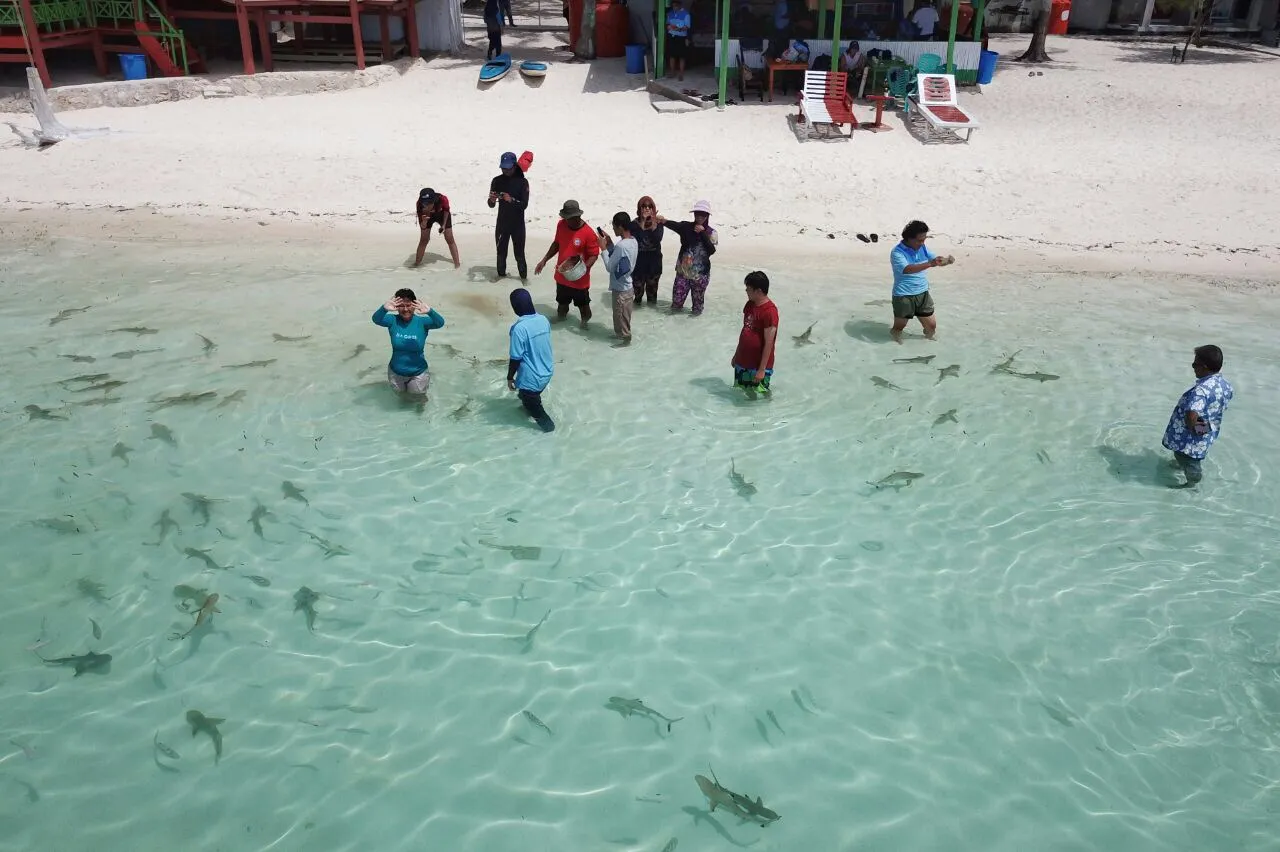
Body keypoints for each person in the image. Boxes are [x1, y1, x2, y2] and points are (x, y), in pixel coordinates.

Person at [1162, 345, 1233, 488]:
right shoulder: (1225, 385)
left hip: (1190, 437)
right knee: (1189, 457)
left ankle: (1192, 483)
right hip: (1207, 429)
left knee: (1186, 457)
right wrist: (1204, 429)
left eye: (1195, 364)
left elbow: (1191, 415)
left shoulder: (1200, 391)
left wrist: (1194, 430)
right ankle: (1182, 465)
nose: (1193, 367)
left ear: (1204, 367)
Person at [534, 199, 601, 327]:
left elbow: (594, 255)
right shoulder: (561, 225)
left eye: (569, 218)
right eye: (566, 218)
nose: (567, 220)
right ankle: (561, 321)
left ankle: (585, 324)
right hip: (562, 276)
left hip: (579, 280)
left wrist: (584, 268)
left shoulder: (588, 233)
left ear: (578, 216)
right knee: (562, 305)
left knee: (584, 308)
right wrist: (544, 260)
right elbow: (556, 244)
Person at [372, 288, 445, 401]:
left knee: (418, 402)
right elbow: (376, 319)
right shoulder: (392, 320)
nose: (405, 309)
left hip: (418, 374)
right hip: (395, 373)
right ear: (396, 306)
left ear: (414, 305)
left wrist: (430, 311)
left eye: (409, 305)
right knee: (400, 400)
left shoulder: (422, 322)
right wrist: (384, 309)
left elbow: (440, 323)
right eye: (401, 305)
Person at [889, 219, 953, 343]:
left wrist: (946, 261)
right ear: (909, 238)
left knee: (931, 326)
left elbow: (935, 260)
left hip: (923, 293)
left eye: (924, 239)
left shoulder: (922, 247)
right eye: (919, 240)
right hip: (903, 295)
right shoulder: (897, 252)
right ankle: (894, 336)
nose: (922, 242)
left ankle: (927, 341)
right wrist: (930, 264)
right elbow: (907, 269)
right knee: (899, 326)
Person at [657, 200, 718, 316]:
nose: (699, 216)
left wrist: (702, 233)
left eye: (703, 214)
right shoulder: (686, 227)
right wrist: (663, 221)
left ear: (707, 216)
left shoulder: (712, 233)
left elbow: (711, 251)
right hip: (682, 273)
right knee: (676, 304)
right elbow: (674, 225)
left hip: (700, 276)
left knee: (697, 307)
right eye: (697, 213)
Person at [507, 288, 556, 433]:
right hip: (547, 372)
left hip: (531, 379)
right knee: (526, 397)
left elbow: (515, 358)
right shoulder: (543, 319)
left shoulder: (519, 329)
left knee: (535, 408)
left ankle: (550, 432)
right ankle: (528, 406)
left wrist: (510, 377)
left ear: (515, 307)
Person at [731, 271, 779, 395]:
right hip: (743, 360)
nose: (746, 291)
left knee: (761, 395)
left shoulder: (770, 312)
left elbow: (769, 343)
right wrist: (736, 355)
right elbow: (745, 331)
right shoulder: (749, 305)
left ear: (758, 291)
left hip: (758, 366)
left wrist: (762, 369)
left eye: (748, 289)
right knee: (743, 393)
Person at [489, 151, 530, 280]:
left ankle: (524, 281)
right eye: (503, 168)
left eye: (508, 168)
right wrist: (491, 200)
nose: (505, 170)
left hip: (517, 225)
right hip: (502, 224)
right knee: (501, 254)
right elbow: (491, 205)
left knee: (519, 255)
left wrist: (511, 200)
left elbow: (524, 205)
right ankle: (501, 281)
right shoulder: (496, 181)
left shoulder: (523, 182)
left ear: (514, 166)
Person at [599, 212, 639, 346]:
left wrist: (603, 248)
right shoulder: (633, 241)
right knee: (622, 319)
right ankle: (621, 337)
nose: (614, 229)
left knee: (621, 320)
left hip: (620, 290)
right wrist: (610, 245)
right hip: (628, 287)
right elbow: (621, 261)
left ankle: (625, 342)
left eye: (614, 226)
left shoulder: (621, 246)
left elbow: (610, 267)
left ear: (621, 227)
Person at [631, 195, 666, 307]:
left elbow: (657, 238)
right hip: (638, 265)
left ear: (653, 209)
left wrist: (654, 222)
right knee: (637, 296)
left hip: (654, 265)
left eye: (650, 206)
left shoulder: (659, 223)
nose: (647, 208)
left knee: (652, 296)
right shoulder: (634, 224)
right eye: (644, 206)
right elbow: (637, 239)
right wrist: (643, 220)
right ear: (639, 209)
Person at [414, 188, 461, 269]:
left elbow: (446, 210)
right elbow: (423, 227)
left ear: (434, 200)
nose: (427, 205)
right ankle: (416, 264)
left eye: (429, 203)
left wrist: (443, 225)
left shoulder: (442, 198)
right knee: (424, 240)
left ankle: (457, 264)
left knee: (449, 238)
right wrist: (424, 221)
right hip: (427, 216)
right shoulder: (419, 204)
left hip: (442, 214)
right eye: (425, 203)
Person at [666, 0, 691, 82]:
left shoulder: (686, 14)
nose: (675, 7)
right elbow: (667, 24)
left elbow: (687, 26)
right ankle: (672, 72)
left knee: (681, 56)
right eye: (673, 6)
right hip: (672, 36)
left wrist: (679, 29)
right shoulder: (670, 13)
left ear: (680, 5)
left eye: (676, 5)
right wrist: (669, 27)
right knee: (672, 55)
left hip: (681, 37)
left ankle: (681, 74)